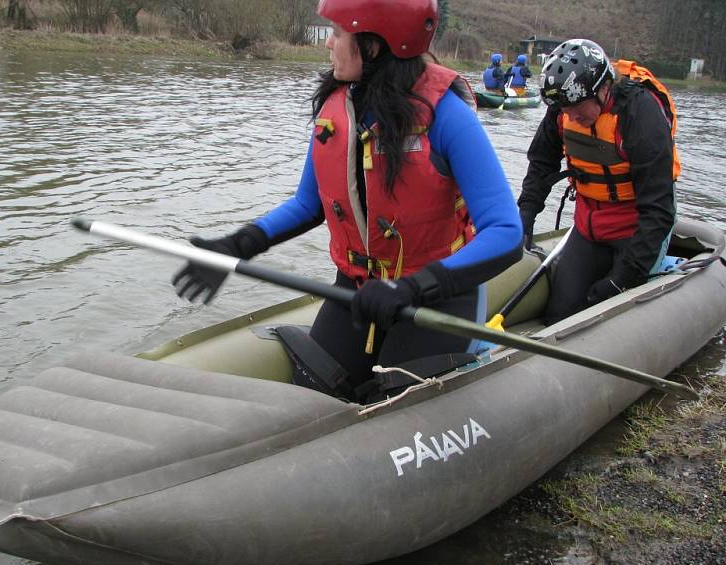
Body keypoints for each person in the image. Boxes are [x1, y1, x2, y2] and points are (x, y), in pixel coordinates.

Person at [173, 0, 522, 402]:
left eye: (338, 33)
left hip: (435, 298)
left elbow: (505, 232)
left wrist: (412, 287)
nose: (329, 44)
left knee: (393, 401)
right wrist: (239, 245)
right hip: (359, 290)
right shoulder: (339, 105)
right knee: (312, 395)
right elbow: (310, 204)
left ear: (373, 46)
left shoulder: (446, 113)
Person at [517, 38, 679, 325]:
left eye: (578, 110)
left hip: (635, 227)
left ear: (604, 89)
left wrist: (622, 279)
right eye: (565, 111)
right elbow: (542, 163)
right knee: (559, 313)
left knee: (611, 312)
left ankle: (657, 267)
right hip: (589, 225)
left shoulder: (639, 115)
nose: (571, 117)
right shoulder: (564, 105)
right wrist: (526, 215)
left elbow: (657, 209)